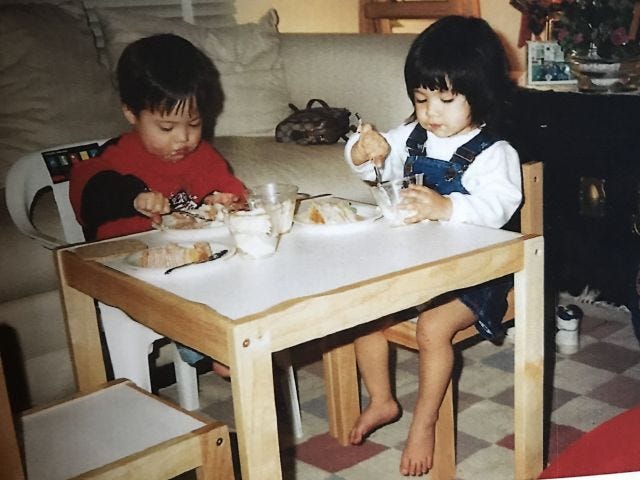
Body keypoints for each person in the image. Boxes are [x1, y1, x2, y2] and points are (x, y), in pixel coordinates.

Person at [343, 16, 522, 476]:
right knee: (362, 312)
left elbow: (500, 207)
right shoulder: (415, 135)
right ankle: (382, 400)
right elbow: (379, 162)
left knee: (431, 329)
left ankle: (424, 424)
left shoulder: (493, 152)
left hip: (479, 273)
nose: (430, 113)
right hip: (418, 265)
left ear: (480, 95)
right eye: (421, 99)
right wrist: (363, 153)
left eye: (445, 100)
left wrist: (447, 208)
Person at [70, 33, 246, 377]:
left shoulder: (202, 156)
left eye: (194, 124)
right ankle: (211, 345)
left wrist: (225, 201)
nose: (183, 138)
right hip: (136, 278)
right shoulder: (115, 159)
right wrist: (133, 196)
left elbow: (231, 194)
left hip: (195, 269)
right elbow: (88, 191)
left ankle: (220, 342)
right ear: (130, 113)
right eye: (167, 126)